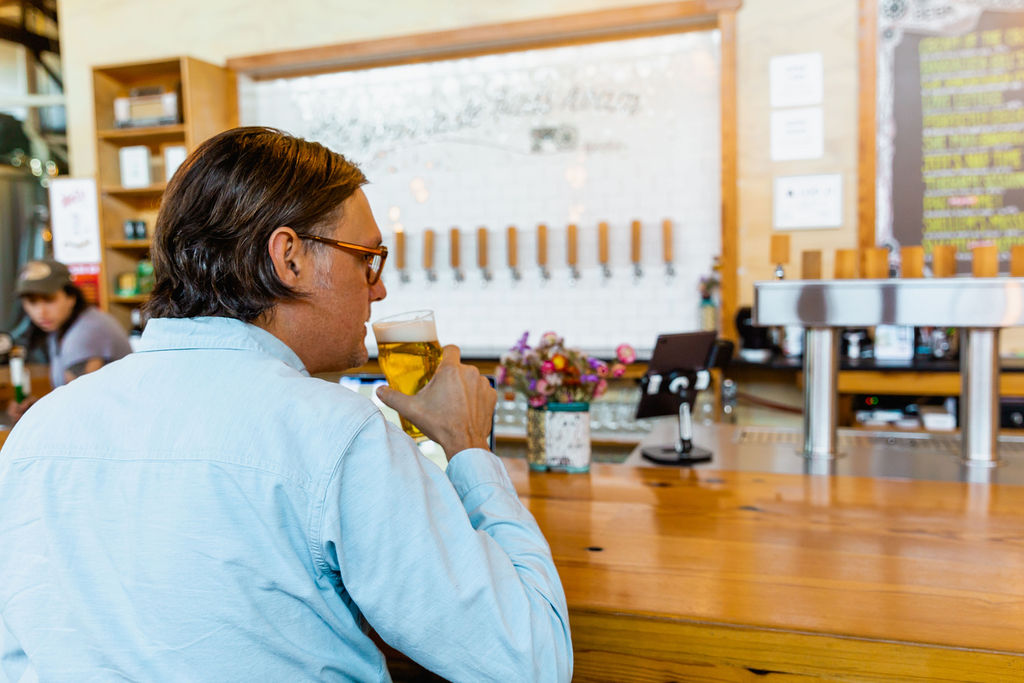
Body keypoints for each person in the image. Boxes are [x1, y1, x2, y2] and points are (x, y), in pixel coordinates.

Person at [0, 127, 572, 682]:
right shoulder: (334, 434)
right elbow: (529, 661)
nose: (379, 289)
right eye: (365, 258)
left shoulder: (41, 431)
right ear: (289, 257)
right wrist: (469, 448)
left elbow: (15, 653)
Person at [5, 259, 132, 423]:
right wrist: (37, 407)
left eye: (49, 299)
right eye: (32, 302)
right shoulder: (62, 327)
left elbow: (79, 407)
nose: (40, 312)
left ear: (71, 297)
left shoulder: (85, 332)